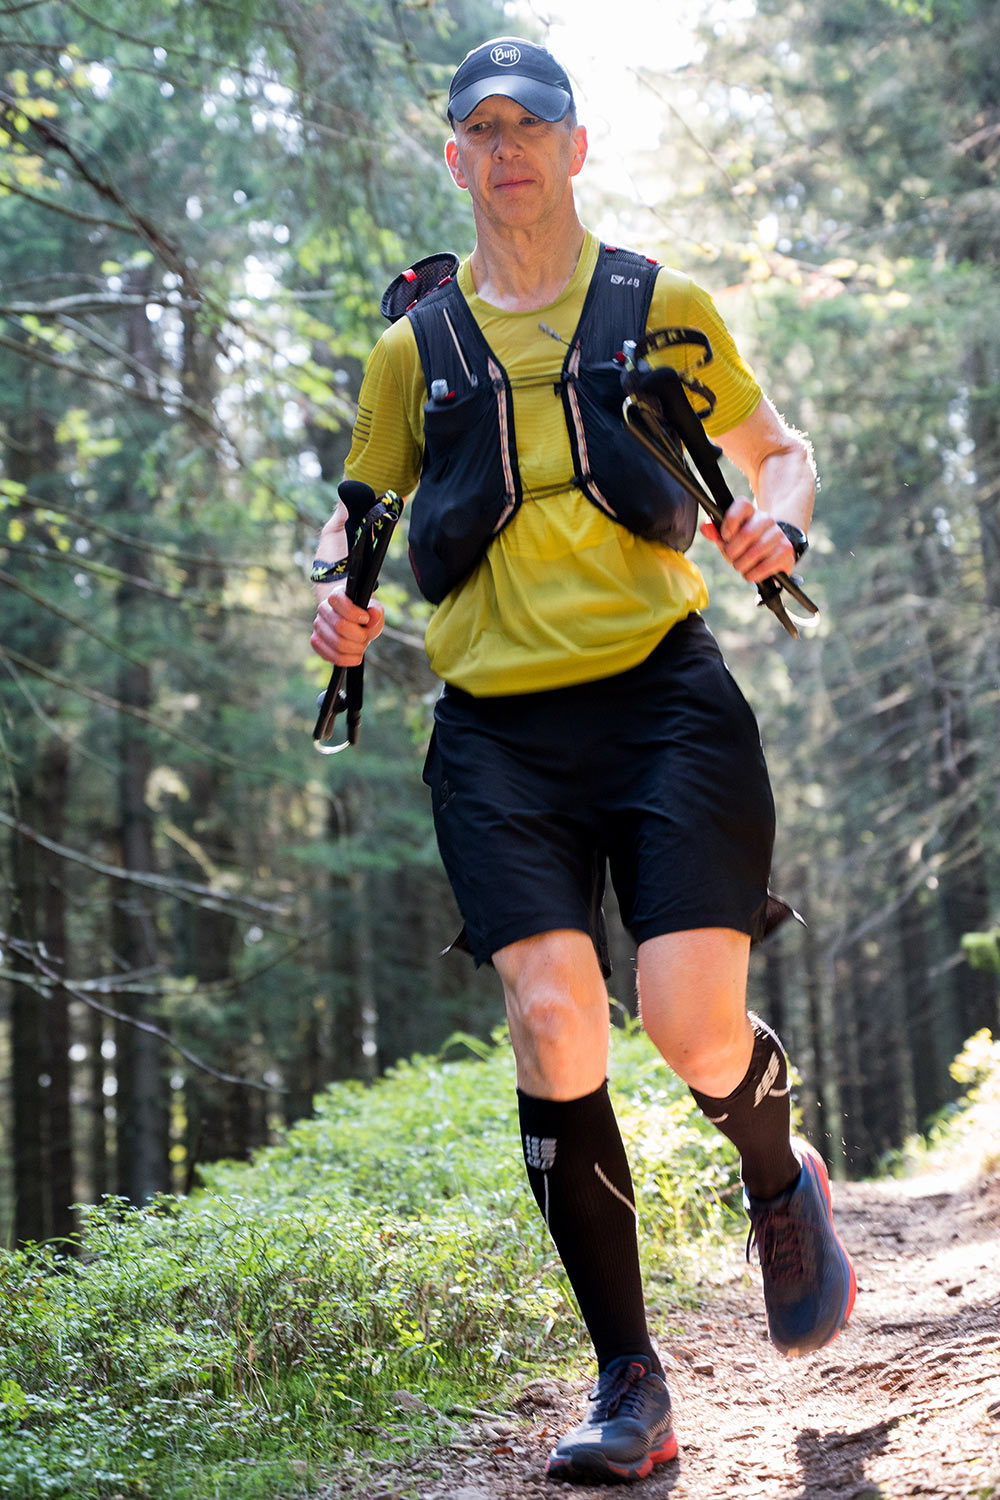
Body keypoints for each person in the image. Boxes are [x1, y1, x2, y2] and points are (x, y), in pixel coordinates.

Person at [310, 36, 856, 1486]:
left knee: (687, 1024)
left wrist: (777, 524)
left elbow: (780, 449)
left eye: (529, 126)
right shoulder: (405, 356)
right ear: (452, 158)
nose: (506, 151)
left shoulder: (660, 305)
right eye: (479, 130)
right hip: (494, 731)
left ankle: (775, 1174)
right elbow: (356, 511)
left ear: (575, 144)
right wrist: (333, 589)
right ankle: (633, 1384)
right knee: (554, 1015)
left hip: (667, 703)